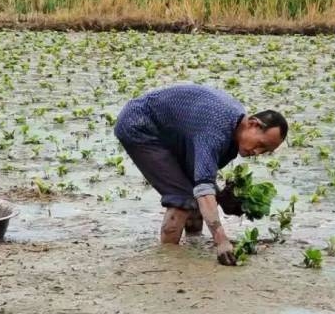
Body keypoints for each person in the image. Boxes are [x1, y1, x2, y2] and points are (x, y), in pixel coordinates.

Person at [114, 84, 288, 265]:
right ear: (252, 124)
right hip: (139, 124)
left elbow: (200, 179)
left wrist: (221, 197)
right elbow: (203, 189)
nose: (258, 152)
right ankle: (169, 260)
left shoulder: (232, 132)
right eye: (260, 144)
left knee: (194, 190)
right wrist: (221, 240)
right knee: (181, 197)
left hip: (170, 132)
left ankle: (193, 243)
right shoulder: (217, 130)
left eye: (265, 151)